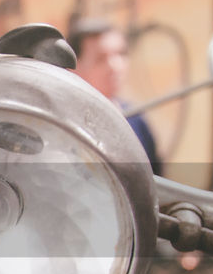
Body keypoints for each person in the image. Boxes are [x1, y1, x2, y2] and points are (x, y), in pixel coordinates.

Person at [67, 20, 163, 175]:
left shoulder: (136, 119)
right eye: (100, 58)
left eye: (121, 54)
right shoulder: (64, 123)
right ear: (74, 67)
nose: (115, 66)